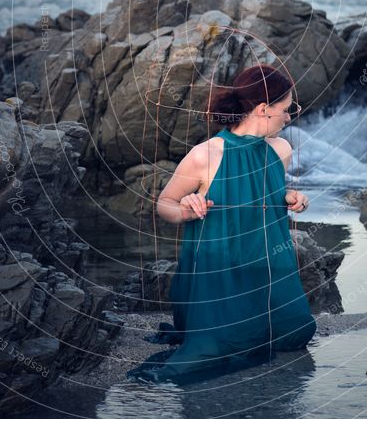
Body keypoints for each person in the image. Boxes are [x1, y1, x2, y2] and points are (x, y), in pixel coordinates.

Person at [126, 63, 316, 385]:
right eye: (287, 109)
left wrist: (289, 197)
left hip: (265, 263)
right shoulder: (205, 155)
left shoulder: (281, 150)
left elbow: (262, 190)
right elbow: (165, 204)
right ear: (262, 109)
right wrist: (186, 208)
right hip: (219, 269)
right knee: (221, 346)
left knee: (298, 331)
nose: (289, 117)